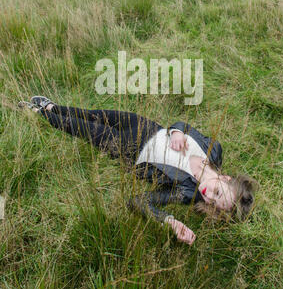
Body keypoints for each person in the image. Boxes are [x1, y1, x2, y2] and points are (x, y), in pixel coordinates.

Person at [18, 96, 257, 245]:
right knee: (96, 114)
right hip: (145, 125)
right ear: (225, 178)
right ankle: (53, 106)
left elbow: (138, 201)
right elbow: (184, 126)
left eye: (213, 203)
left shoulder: (186, 193)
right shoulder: (214, 151)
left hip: (130, 149)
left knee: (82, 128)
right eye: (216, 192)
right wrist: (177, 132)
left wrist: (170, 221)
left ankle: (40, 113)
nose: (207, 195)